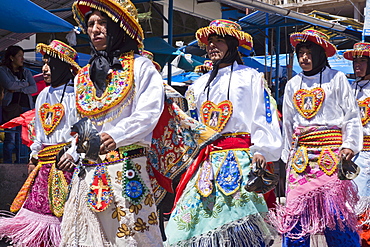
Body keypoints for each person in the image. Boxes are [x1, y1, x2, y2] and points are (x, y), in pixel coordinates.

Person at [165, 19, 283, 246]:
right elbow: (193, 124)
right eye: (210, 42)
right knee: (195, 223)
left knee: (242, 226)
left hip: (241, 158)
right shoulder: (198, 86)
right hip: (206, 162)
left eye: (219, 41)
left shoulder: (250, 76)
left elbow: (264, 113)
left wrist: (262, 149)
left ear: (232, 44)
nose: (212, 46)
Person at [59, 0, 164, 246]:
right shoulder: (83, 76)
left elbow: (148, 113)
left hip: (127, 169)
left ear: (119, 28)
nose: (95, 29)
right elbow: (82, 124)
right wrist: (74, 151)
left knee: (133, 237)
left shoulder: (141, 66)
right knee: (83, 237)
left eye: (102, 23)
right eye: (90, 24)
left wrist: (116, 135)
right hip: (89, 172)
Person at [271, 29, 362, 247]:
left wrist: (349, 144)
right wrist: (286, 156)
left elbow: (351, 115)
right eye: (300, 53)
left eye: (308, 53)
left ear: (320, 54)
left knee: (335, 215)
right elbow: (288, 123)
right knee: (295, 215)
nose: (304, 58)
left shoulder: (337, 79)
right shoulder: (293, 84)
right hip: (301, 159)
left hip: (330, 156)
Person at [0, 40, 80, 247]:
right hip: (43, 166)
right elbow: (38, 129)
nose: (44, 68)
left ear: (64, 67)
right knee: (36, 216)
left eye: (50, 63)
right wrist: (34, 156)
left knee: (64, 219)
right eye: (44, 62)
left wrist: (73, 154)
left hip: (67, 164)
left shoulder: (76, 96)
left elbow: (83, 132)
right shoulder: (43, 94)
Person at [344, 42, 370, 246]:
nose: (357, 65)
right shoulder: (348, 88)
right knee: (351, 204)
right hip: (351, 154)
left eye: (362, 61)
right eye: (355, 61)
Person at [0, 45, 37, 163]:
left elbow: (34, 88)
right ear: (11, 57)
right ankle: (7, 164)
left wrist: (19, 88)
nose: (22, 59)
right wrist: (25, 84)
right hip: (11, 108)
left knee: (23, 138)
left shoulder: (26, 72)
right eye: (20, 56)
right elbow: (9, 85)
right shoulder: (2, 70)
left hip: (26, 109)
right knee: (10, 138)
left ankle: (21, 164)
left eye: (23, 56)